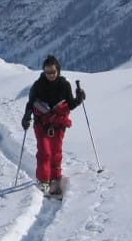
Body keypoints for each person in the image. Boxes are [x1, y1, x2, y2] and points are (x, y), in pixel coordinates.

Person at [21, 55, 85, 196]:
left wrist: (79, 98)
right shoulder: (38, 85)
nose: (50, 75)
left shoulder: (64, 85)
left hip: (58, 125)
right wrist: (26, 117)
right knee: (45, 152)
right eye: (47, 72)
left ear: (58, 70)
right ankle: (44, 181)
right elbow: (30, 104)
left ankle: (55, 178)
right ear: (43, 71)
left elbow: (70, 104)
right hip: (41, 124)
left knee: (56, 152)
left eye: (53, 72)